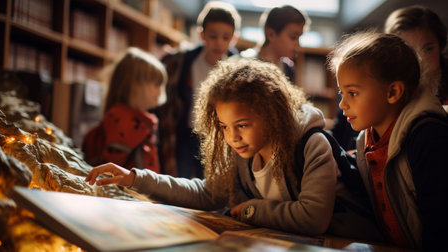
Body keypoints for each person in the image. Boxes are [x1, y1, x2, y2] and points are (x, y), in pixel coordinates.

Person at [86, 59, 383, 241]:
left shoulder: (310, 144)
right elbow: (206, 193)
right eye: (224, 127)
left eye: (241, 125)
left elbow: (313, 218)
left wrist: (252, 210)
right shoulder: (242, 151)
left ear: (271, 114)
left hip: (353, 242)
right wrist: (134, 179)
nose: (232, 137)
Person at [328, 31, 448, 250]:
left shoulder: (428, 137)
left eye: (352, 93)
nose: (342, 105)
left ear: (393, 92)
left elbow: (440, 226)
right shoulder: (367, 139)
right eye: (341, 93)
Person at [157, 1, 241, 178]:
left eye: (226, 37)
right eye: (213, 36)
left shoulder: (237, 68)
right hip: (187, 134)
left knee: (212, 185)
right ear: (201, 35)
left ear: (234, 38)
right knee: (182, 180)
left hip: (220, 137)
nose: (219, 43)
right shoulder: (185, 62)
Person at [82, 47, 167, 173]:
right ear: (134, 86)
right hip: (126, 192)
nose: (160, 91)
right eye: (156, 84)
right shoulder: (123, 119)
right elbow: (110, 172)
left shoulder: (137, 119)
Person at [384, 5, 448, 107]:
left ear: (441, 44)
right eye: (410, 52)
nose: (421, 60)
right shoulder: (391, 96)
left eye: (428, 49)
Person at [239, 5, 310, 83]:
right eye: (293, 37)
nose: (298, 44)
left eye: (299, 38)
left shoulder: (289, 69)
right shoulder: (245, 63)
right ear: (271, 34)